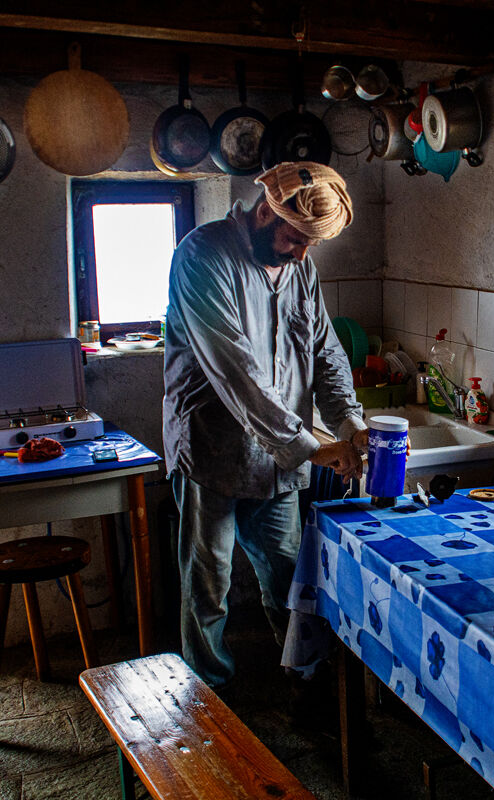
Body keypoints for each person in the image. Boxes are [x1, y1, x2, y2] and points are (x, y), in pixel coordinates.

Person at [162, 160, 367, 690]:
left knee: (287, 577)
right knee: (207, 586)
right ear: (263, 211)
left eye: (310, 244)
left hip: (277, 460)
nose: (302, 253)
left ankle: (306, 681)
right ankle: (207, 694)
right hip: (211, 450)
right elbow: (238, 372)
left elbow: (324, 350)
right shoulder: (202, 256)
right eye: (295, 238)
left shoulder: (300, 268)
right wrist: (308, 445)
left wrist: (349, 422)